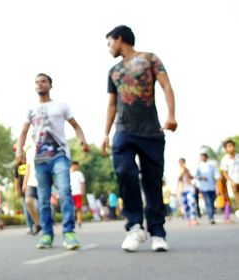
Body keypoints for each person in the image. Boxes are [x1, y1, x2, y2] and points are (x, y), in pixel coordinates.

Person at [100, 25, 177, 252]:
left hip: (151, 131)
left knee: (152, 181)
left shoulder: (150, 59)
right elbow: (112, 104)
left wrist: (171, 115)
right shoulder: (113, 71)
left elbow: (166, 85)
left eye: (109, 43)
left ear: (120, 38)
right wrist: (105, 133)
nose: (108, 48)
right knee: (125, 171)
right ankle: (134, 226)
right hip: (123, 131)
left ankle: (157, 232)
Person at [16, 73, 89, 250]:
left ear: (50, 85)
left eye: (43, 81)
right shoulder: (31, 109)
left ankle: (69, 233)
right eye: (37, 82)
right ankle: (47, 234)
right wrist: (19, 150)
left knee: (64, 191)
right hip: (40, 159)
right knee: (43, 199)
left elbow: (76, 126)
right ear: (35, 87)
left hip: (60, 155)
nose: (40, 84)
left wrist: (82, 140)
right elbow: (24, 132)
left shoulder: (61, 106)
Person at [195, 152, 219, 224]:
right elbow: (196, 176)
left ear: (206, 157)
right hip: (204, 188)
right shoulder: (199, 166)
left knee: (212, 202)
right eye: (201, 157)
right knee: (208, 202)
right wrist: (201, 177)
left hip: (212, 187)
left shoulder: (211, 165)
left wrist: (218, 180)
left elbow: (216, 174)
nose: (202, 158)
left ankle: (211, 215)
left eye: (203, 157)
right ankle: (211, 218)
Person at [22, 143, 41, 235]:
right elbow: (28, 169)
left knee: (43, 205)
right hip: (31, 181)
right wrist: (24, 183)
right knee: (28, 201)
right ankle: (37, 222)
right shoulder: (29, 151)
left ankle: (45, 225)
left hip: (43, 180)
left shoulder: (46, 146)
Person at [220, 140, 239, 220]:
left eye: (233, 145)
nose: (232, 147)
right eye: (229, 146)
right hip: (233, 182)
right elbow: (225, 173)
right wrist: (231, 181)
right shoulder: (224, 159)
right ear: (226, 149)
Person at [178, 158, 198, 226]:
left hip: (190, 189)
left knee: (192, 203)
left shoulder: (187, 169)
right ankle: (187, 219)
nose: (181, 163)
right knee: (185, 205)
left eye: (182, 162)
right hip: (183, 190)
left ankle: (194, 219)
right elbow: (179, 179)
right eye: (180, 162)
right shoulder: (179, 170)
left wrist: (188, 173)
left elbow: (191, 177)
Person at [70, 161, 86, 227]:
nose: (77, 167)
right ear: (73, 165)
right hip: (70, 193)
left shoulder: (79, 173)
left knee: (78, 208)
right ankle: (71, 221)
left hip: (78, 193)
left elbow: (83, 183)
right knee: (70, 208)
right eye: (77, 165)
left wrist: (83, 192)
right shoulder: (67, 173)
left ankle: (79, 221)